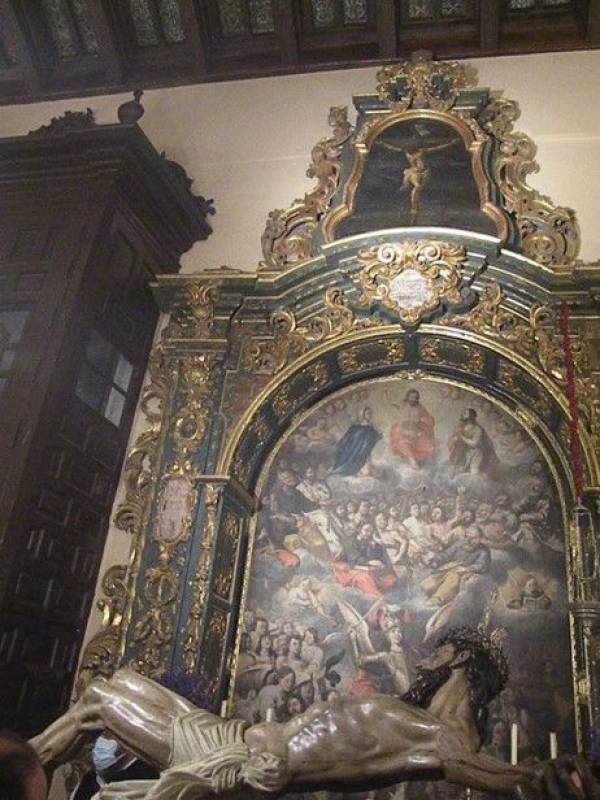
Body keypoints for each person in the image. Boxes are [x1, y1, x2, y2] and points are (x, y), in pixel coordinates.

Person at [27, 627, 594, 800]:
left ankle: (20, 773)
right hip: (240, 734)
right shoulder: (417, 718)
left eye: (441, 649)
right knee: (120, 683)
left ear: (461, 660)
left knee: (98, 704)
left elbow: (488, 771)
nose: (430, 655)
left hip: (237, 760)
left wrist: (537, 774)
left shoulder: (444, 738)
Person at [389, 389, 436, 469]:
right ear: (407, 397)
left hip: (415, 430)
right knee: (402, 441)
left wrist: (422, 420)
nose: (414, 399)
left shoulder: (420, 408)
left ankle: (416, 460)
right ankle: (412, 460)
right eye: (412, 397)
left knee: (425, 445)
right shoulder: (403, 404)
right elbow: (391, 402)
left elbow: (430, 419)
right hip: (402, 429)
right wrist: (387, 394)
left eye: (416, 398)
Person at [331, 406, 382, 476]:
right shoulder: (356, 426)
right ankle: (341, 470)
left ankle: (352, 471)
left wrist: (378, 436)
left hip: (362, 449)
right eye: (368, 413)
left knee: (358, 460)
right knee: (348, 458)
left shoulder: (371, 427)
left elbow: (372, 438)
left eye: (370, 413)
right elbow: (349, 435)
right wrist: (341, 443)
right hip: (353, 447)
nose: (370, 415)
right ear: (363, 415)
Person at [448, 408, 499, 478]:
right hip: (462, 451)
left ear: (470, 417)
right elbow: (454, 438)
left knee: (474, 471)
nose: (463, 415)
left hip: (475, 452)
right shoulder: (461, 426)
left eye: (465, 414)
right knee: (455, 468)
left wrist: (462, 438)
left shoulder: (477, 429)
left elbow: (474, 443)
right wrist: (454, 439)